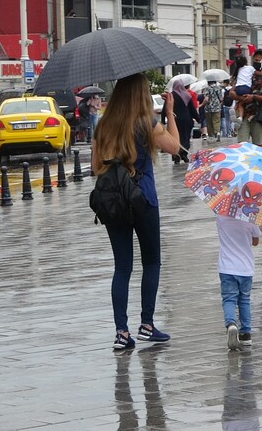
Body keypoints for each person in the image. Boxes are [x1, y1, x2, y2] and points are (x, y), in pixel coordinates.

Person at [92, 73, 181, 350]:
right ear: (141, 95)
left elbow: (96, 168)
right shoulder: (147, 124)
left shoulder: (103, 125)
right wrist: (170, 114)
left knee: (122, 267)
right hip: (143, 199)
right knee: (151, 262)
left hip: (114, 202)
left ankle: (121, 333)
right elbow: (175, 148)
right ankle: (146, 325)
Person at [217, 215, 260, 351]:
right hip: (245, 268)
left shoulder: (221, 217)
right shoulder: (251, 217)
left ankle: (231, 324)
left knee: (229, 299)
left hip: (226, 267)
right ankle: (245, 333)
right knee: (244, 300)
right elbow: (255, 241)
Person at [232, 49, 262, 147]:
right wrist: (241, 97)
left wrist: (254, 97)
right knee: (242, 146)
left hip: (259, 116)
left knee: (257, 146)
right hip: (243, 116)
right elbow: (231, 92)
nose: (258, 62)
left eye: (260, 61)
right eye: (256, 60)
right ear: (252, 60)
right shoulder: (245, 71)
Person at [166, 79, 199, 164]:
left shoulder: (171, 95)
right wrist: (198, 118)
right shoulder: (187, 95)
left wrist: (163, 119)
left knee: (176, 137)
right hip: (186, 120)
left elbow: (166, 108)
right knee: (185, 137)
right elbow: (192, 109)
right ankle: (184, 153)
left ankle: (176, 155)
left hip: (175, 120)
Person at [231, 55, 255, 120]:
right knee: (249, 99)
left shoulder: (238, 70)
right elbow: (258, 73)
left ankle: (240, 116)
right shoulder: (250, 68)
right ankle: (251, 115)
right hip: (246, 88)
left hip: (238, 89)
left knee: (240, 103)